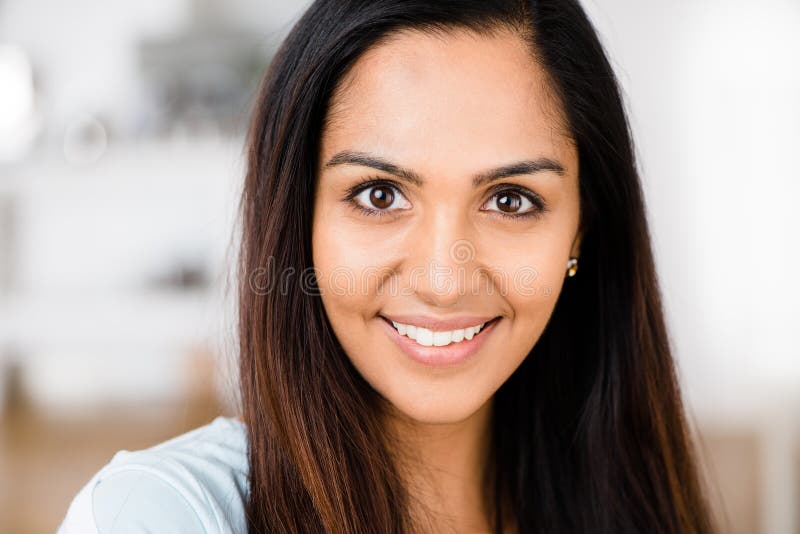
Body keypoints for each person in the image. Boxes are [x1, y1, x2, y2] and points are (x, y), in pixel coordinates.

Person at [58, 0, 717, 532]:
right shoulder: (159, 517)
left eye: (511, 200)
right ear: (300, 220)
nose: (442, 279)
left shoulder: (636, 504)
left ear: (582, 229)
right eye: (380, 194)